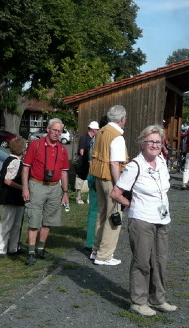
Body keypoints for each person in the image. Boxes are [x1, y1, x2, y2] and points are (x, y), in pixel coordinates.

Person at [110, 125, 177, 317]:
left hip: (162, 219)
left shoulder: (162, 162)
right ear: (142, 143)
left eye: (158, 141)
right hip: (142, 219)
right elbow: (115, 193)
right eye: (151, 141)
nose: (155, 145)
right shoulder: (134, 166)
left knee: (160, 260)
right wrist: (132, 204)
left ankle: (158, 299)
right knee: (142, 261)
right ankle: (138, 301)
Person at [22, 118, 70, 266]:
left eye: (59, 131)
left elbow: (64, 172)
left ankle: (41, 249)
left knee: (49, 219)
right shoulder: (35, 145)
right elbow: (25, 168)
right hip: (37, 185)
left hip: (55, 187)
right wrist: (25, 188)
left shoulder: (62, 149)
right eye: (54, 130)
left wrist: (66, 192)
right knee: (34, 219)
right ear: (48, 129)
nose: (57, 133)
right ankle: (31, 252)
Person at [88, 105, 128, 266]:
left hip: (98, 176)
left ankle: (96, 250)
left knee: (101, 214)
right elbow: (114, 163)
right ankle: (104, 255)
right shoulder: (117, 136)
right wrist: (119, 186)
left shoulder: (101, 132)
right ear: (122, 119)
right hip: (110, 178)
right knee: (113, 216)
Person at [0, 137, 27, 258]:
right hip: (10, 196)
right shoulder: (14, 161)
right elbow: (7, 180)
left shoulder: (14, 160)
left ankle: (13, 247)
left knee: (17, 224)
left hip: (17, 198)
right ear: (22, 149)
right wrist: (23, 187)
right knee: (6, 224)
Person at [83, 115, 108, 254]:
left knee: (93, 210)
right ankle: (95, 241)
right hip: (100, 175)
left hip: (91, 174)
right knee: (100, 210)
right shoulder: (105, 139)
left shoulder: (93, 139)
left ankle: (90, 241)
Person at [74, 121, 99, 204]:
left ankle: (89, 198)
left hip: (90, 162)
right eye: (97, 129)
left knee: (90, 180)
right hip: (82, 162)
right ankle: (78, 197)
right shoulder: (84, 137)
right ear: (93, 130)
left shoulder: (94, 139)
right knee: (80, 179)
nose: (98, 131)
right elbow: (81, 151)